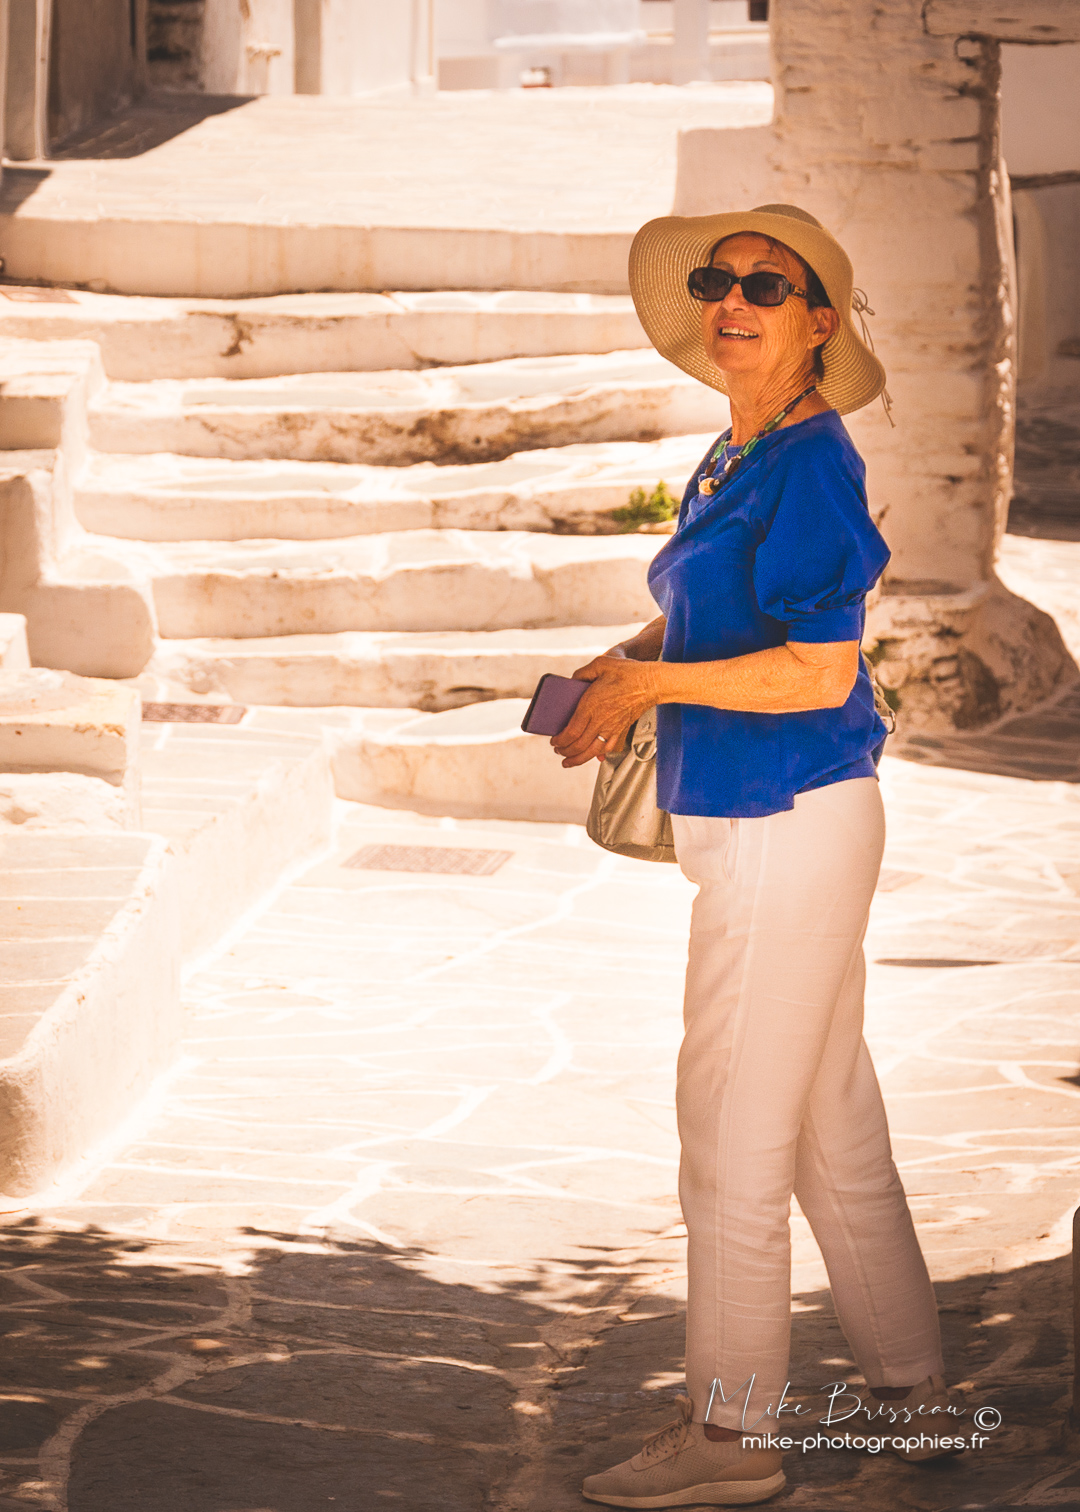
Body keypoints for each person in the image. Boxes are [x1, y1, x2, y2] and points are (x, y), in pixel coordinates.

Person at [552, 205, 950, 1507]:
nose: (732, 299)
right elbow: (723, 627)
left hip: (789, 824)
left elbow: (820, 669)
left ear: (818, 322)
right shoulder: (739, 454)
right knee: (831, 1124)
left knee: (729, 1134)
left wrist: (652, 681)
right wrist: (625, 667)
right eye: (716, 280)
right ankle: (914, 1398)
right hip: (767, 822)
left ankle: (732, 1439)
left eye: (766, 286)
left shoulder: (811, 463)